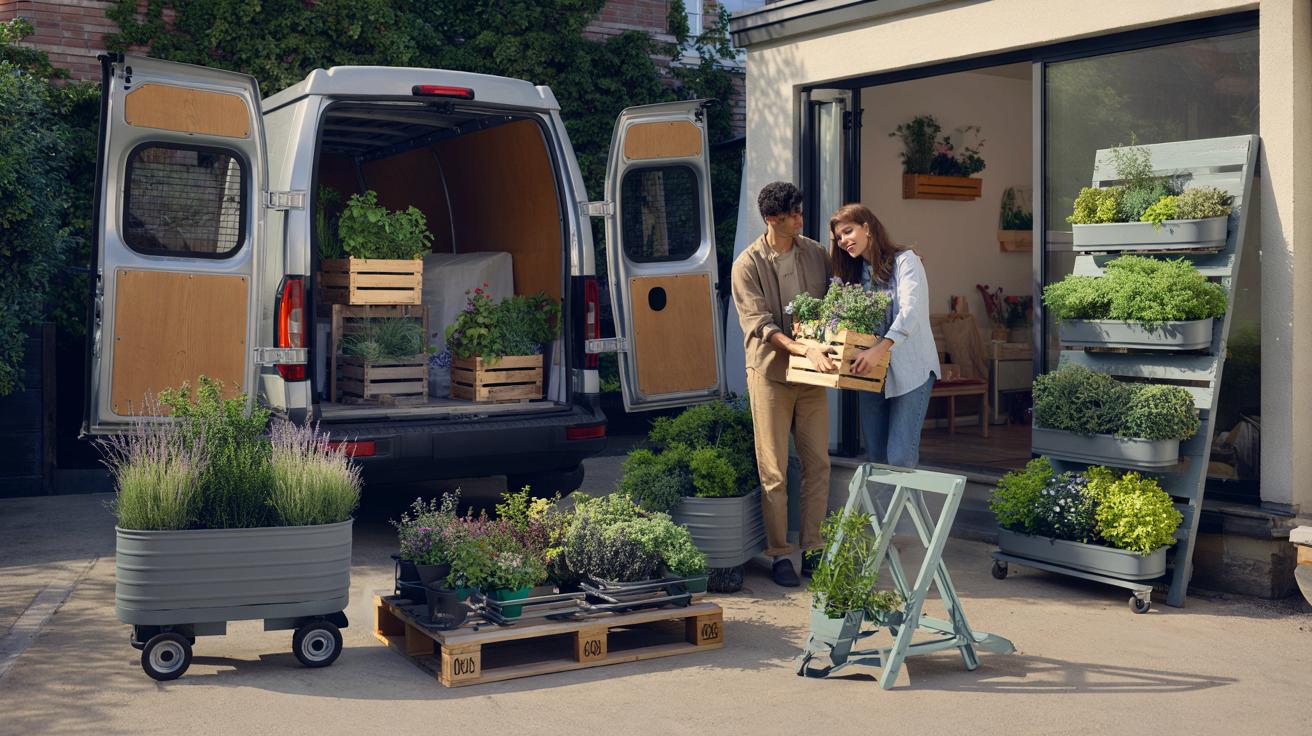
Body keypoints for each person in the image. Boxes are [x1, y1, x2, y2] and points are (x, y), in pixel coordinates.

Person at [731, 182, 834, 587]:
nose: (800, 219)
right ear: (772, 219)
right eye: (792, 214)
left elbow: (840, 294)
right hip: (771, 374)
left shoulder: (815, 253)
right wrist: (801, 349)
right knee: (773, 470)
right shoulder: (748, 264)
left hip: (811, 377)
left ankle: (813, 548)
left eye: (800, 212)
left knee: (818, 464)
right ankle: (778, 554)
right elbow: (760, 325)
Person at [829, 203, 941, 468]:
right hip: (869, 373)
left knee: (900, 458)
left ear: (867, 227)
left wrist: (880, 348)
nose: (844, 241)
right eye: (839, 238)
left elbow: (911, 311)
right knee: (877, 459)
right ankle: (885, 512)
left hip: (911, 371)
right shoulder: (852, 273)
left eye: (848, 231)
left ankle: (906, 512)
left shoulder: (906, 261)